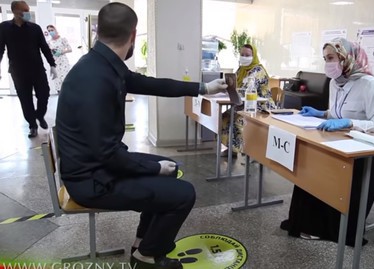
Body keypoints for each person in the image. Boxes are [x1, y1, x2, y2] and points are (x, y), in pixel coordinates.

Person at [55, 3, 227, 269]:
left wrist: (203, 87)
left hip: (95, 165)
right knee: (184, 194)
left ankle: (141, 245)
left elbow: (148, 83)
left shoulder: (101, 64)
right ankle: (147, 257)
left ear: (98, 31)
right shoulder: (94, 79)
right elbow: (107, 154)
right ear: (133, 35)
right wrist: (153, 168)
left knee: (170, 172)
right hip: (91, 180)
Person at [280, 38, 374, 247]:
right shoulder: (334, 82)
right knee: (311, 164)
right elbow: (337, 113)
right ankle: (305, 221)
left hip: (364, 150)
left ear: (345, 57)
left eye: (331, 58)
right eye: (325, 59)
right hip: (338, 142)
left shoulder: (368, 83)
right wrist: (322, 113)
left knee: (331, 169)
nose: (327, 63)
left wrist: (349, 123)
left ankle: (331, 227)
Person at [0, 0, 57, 138]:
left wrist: (52, 64)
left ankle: (40, 115)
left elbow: (44, 47)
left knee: (44, 94)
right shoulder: (4, 27)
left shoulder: (35, 28)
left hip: (37, 69)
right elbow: (0, 49)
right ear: (14, 11)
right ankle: (32, 125)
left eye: (28, 10)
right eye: (24, 10)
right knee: (25, 100)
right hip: (18, 72)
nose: (27, 13)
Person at [220, 44, 276, 156]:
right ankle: (232, 149)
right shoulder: (241, 69)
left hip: (261, 107)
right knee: (225, 117)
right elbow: (235, 85)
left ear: (253, 55)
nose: (244, 57)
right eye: (242, 55)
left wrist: (233, 89)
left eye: (247, 55)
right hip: (245, 104)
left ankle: (248, 150)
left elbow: (248, 88)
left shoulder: (258, 70)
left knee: (237, 120)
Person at [47, 24, 72, 93]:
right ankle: (60, 97)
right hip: (55, 62)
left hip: (63, 62)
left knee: (64, 79)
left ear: (55, 30)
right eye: (49, 31)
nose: (50, 32)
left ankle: (68, 96)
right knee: (57, 80)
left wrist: (61, 52)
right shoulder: (49, 42)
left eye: (52, 30)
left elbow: (70, 49)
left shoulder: (62, 39)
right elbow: (48, 52)